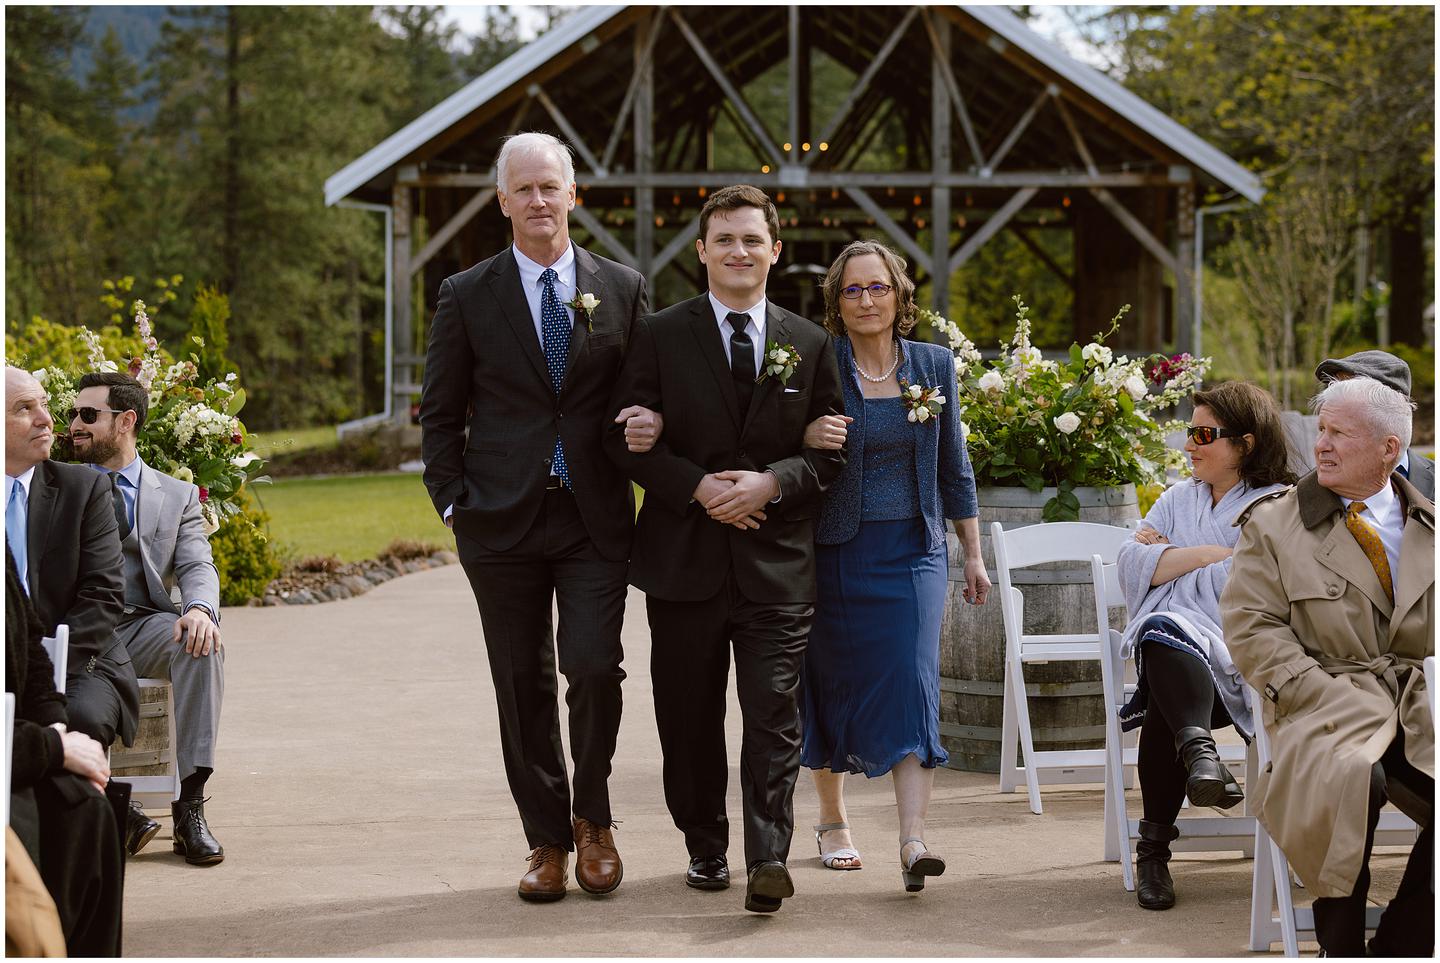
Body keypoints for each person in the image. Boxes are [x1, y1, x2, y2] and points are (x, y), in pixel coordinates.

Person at [417, 131, 652, 903]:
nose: (539, 200)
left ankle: (595, 820)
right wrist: (454, 502)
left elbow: (640, 396)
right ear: (503, 201)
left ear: (573, 194)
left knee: (592, 666)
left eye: (551, 186)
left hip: (592, 518)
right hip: (499, 521)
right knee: (520, 683)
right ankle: (546, 840)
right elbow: (441, 413)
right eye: (524, 189)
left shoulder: (622, 286)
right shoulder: (466, 292)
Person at [604, 184, 845, 913]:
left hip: (778, 568)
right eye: (725, 240)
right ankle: (706, 845)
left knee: (774, 716)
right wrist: (699, 488)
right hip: (684, 562)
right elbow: (627, 439)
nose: (740, 252)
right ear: (702, 251)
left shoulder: (809, 342)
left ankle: (768, 856)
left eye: (753, 240)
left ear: (775, 249)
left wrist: (774, 481)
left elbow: (832, 454)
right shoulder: (659, 334)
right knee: (688, 716)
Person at [791, 240, 989, 891]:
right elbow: (775, 435)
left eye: (878, 287)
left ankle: (913, 839)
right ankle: (832, 821)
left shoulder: (933, 364)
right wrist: (805, 435)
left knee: (913, 680)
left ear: (900, 295)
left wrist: (974, 554)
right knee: (831, 681)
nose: (867, 300)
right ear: (837, 302)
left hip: (916, 550)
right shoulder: (822, 364)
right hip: (836, 549)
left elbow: (953, 468)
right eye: (853, 290)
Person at [1224, 376, 1433, 957]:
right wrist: (1315, 691)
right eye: (1322, 430)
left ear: (1389, 450)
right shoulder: (1273, 525)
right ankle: (1339, 947)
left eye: (1340, 433)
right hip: (1320, 707)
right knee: (1349, 781)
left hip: (1418, 708)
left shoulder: (1431, 526)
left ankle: (1403, 943)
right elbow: (1251, 628)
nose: (1322, 445)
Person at [1115, 381, 1294, 910]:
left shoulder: (1279, 505)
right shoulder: (1177, 496)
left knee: (1165, 633)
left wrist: (1169, 558)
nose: (1188, 445)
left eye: (1202, 434)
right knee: (1167, 627)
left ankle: (1153, 852)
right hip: (1180, 667)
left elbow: (1254, 584)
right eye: (1187, 432)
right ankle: (1201, 756)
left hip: (1245, 665)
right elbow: (1130, 563)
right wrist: (1207, 554)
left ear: (1246, 443)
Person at [69, 372, 226, 865]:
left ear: (126, 422)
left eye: (88, 415)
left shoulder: (177, 495)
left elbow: (198, 564)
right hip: (78, 629)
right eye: (73, 413)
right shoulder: (58, 483)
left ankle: (190, 807)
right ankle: (115, 806)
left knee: (201, 645)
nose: (74, 424)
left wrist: (200, 610)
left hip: (142, 624)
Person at [4, 367, 133, 751]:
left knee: (80, 719)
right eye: (25, 408)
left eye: (44, 404)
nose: (47, 419)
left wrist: (38, 666)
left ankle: (100, 809)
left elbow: (104, 595)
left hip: (79, 662)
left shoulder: (84, 488)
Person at [6, 545, 124, 956]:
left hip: (19, 747)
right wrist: (54, 748)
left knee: (87, 808)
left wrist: (57, 730)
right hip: (11, 765)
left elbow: (32, 651)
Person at [1314, 349, 1433, 500]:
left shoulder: (1433, 479)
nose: (1335, 398)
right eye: (1332, 386)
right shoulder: (1302, 494)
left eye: (1353, 390)